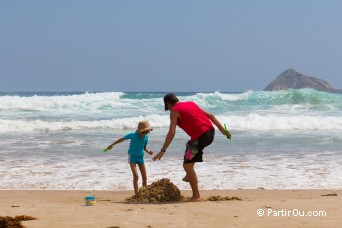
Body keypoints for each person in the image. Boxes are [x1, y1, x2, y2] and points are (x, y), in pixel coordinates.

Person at [153, 93, 227, 201]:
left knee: (187, 166)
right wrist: (222, 130)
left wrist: (163, 149)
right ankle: (189, 175)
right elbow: (211, 116)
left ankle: (196, 196)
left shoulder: (174, 111)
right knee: (189, 145)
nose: (168, 110)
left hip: (200, 137)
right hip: (210, 134)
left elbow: (172, 132)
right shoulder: (191, 103)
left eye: (167, 108)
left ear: (168, 104)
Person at [105, 120, 154, 194]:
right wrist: (111, 145)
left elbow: (144, 147)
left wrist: (148, 151)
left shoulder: (146, 137)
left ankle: (144, 194)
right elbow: (122, 139)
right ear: (139, 131)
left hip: (141, 157)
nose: (145, 134)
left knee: (145, 177)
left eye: (147, 132)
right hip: (132, 156)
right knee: (136, 176)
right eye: (143, 132)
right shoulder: (133, 134)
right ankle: (136, 194)